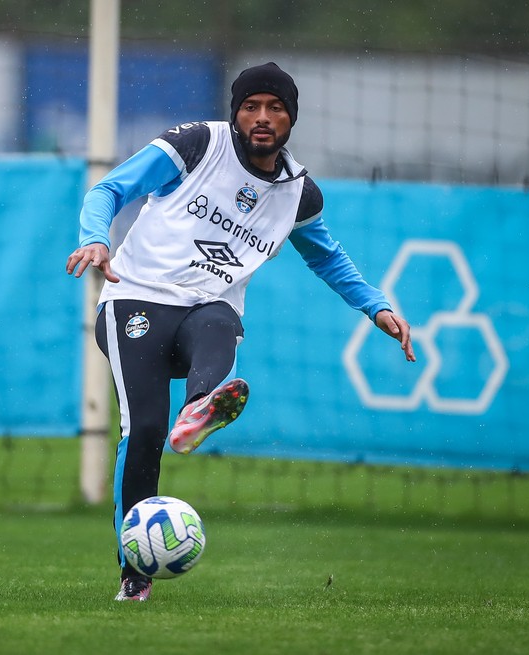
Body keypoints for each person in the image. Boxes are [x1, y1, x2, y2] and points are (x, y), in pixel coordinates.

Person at [65, 62, 417, 602]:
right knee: (144, 432)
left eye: (275, 108)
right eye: (251, 106)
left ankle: (202, 405)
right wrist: (96, 239)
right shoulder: (195, 144)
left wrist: (377, 307)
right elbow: (109, 189)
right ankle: (134, 575)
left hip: (206, 308)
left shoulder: (299, 193)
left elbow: (330, 259)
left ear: (291, 120)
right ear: (236, 114)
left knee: (221, 321)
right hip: (135, 298)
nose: (262, 117)